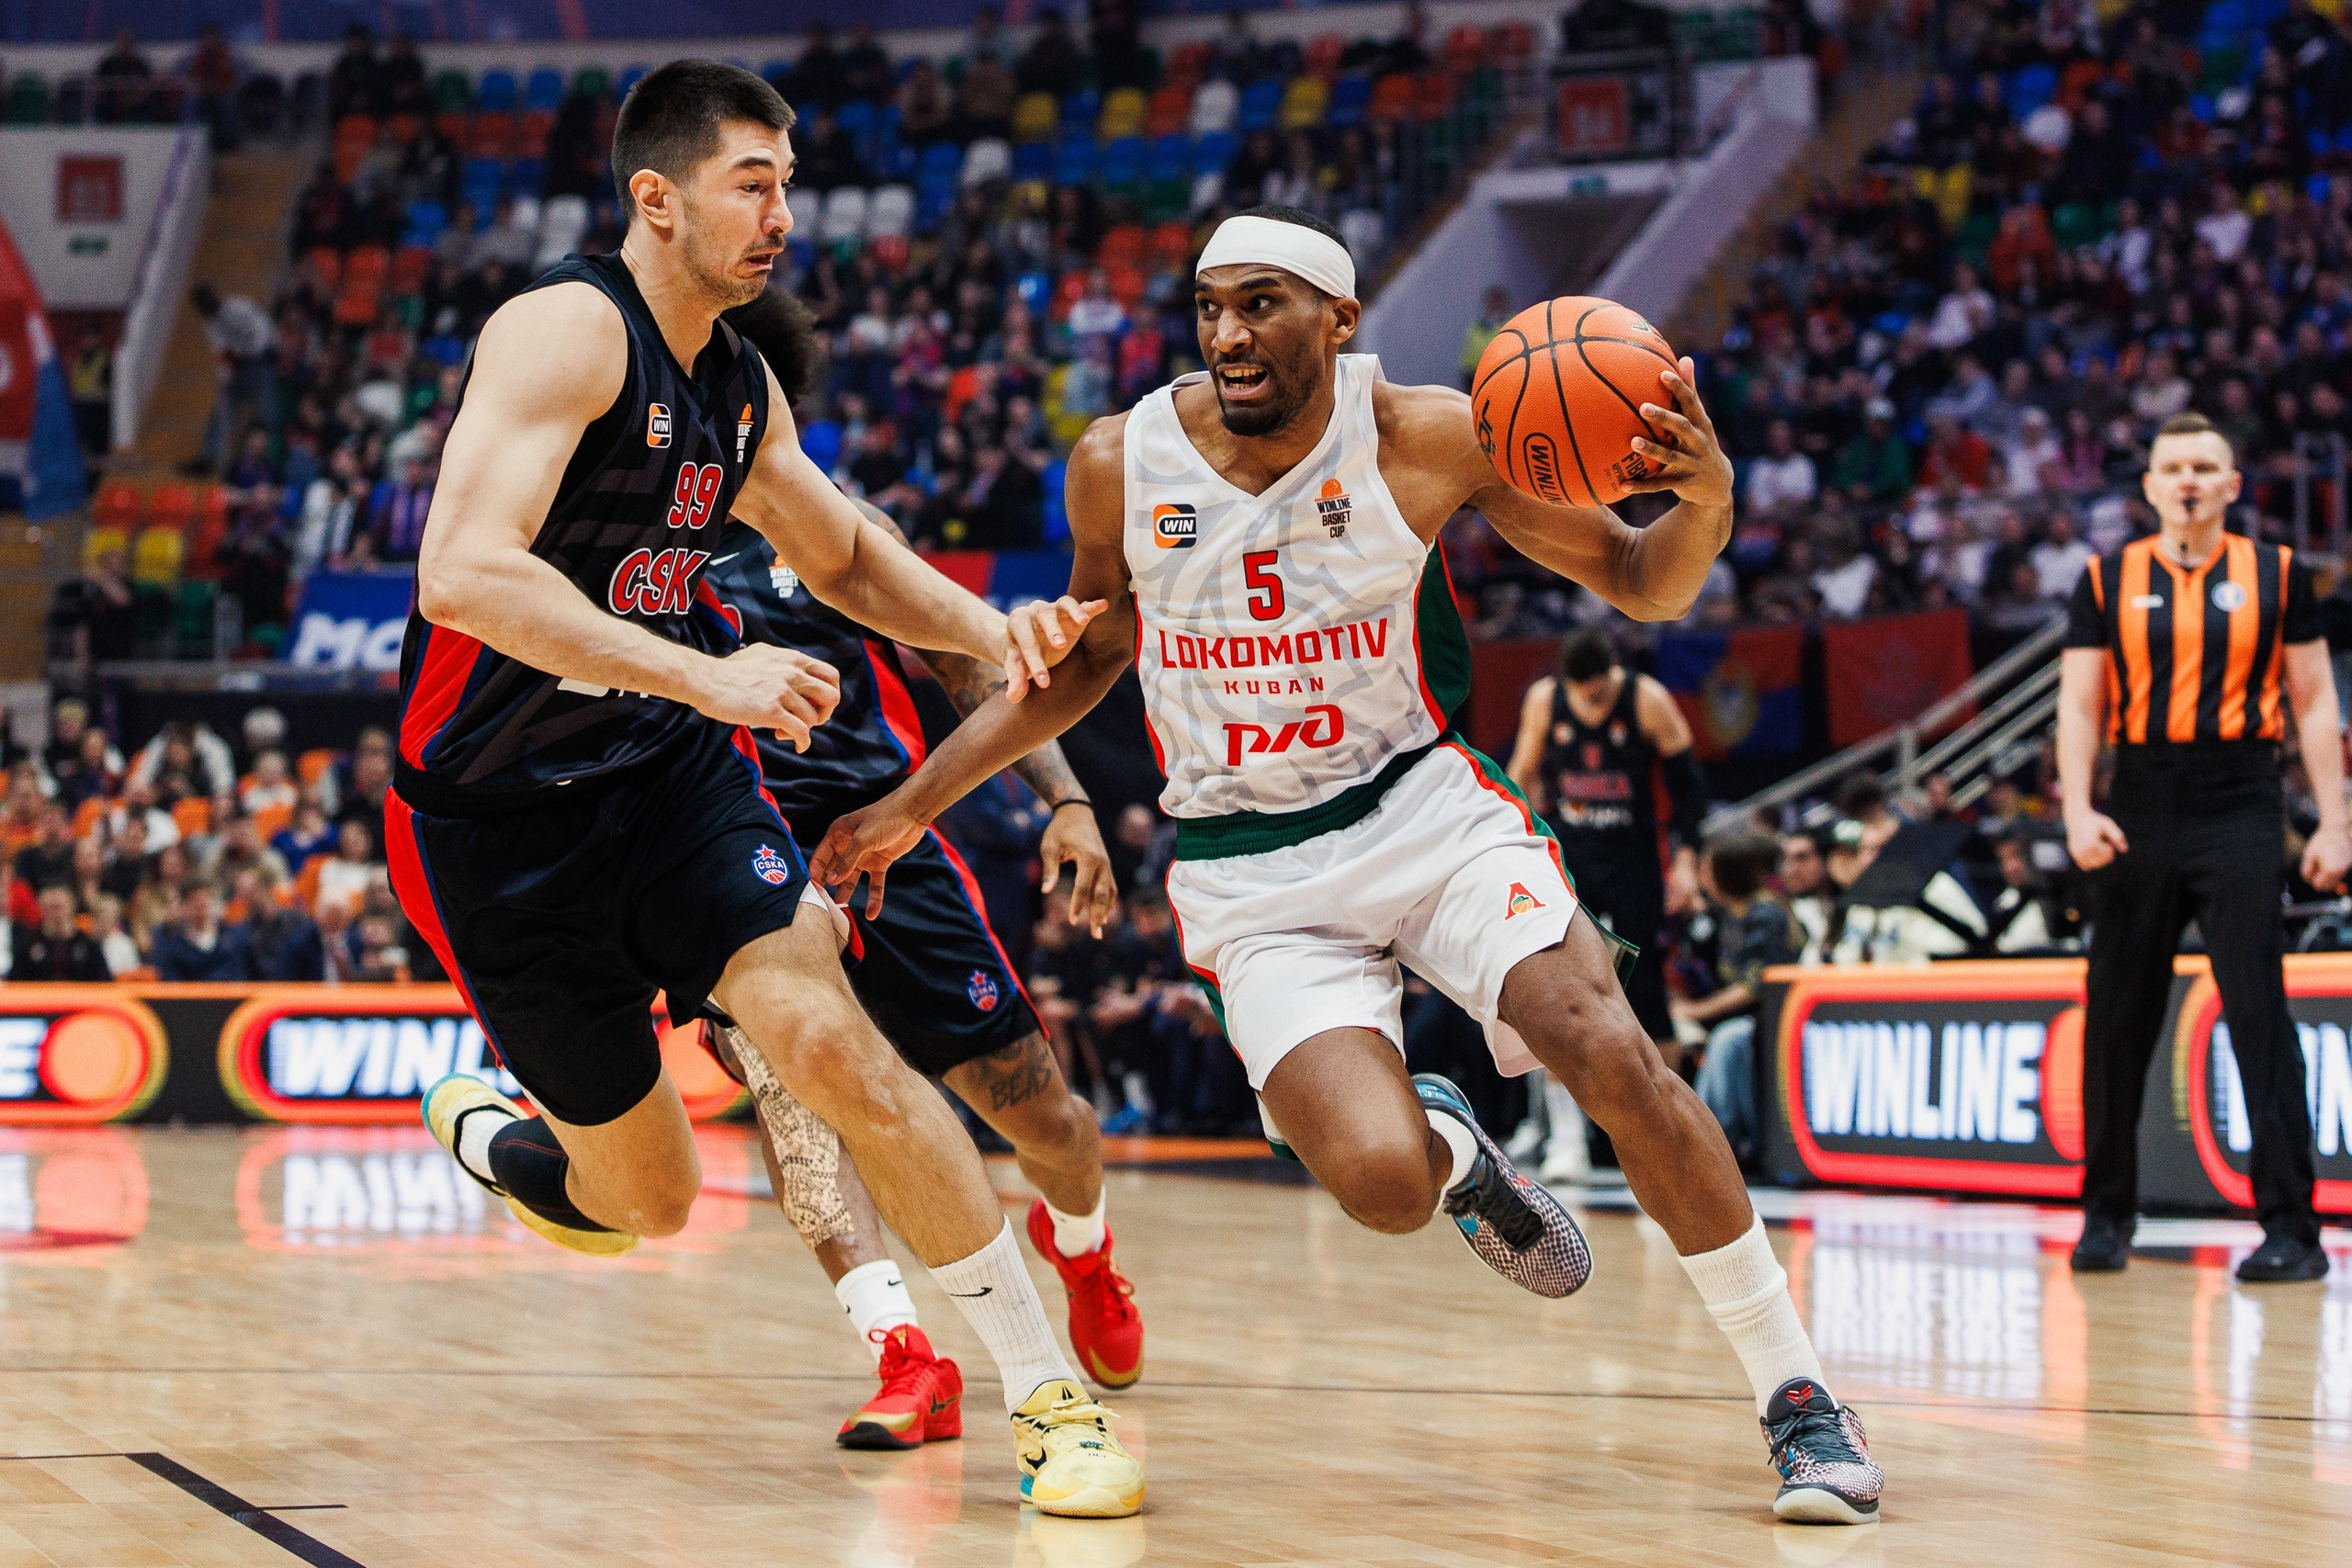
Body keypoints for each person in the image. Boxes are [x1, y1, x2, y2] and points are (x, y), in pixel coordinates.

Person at [815, 205, 1883, 1523]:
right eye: (1209, 307)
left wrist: (1705, 498)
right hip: (1247, 869)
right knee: (1380, 1187)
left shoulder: (1429, 435)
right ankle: (1447, 1141)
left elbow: (1640, 577)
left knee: (1608, 1047)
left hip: (1421, 809)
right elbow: (1089, 659)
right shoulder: (1117, 460)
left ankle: (1799, 1400)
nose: (1227, 334)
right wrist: (914, 803)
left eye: (1261, 303)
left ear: (1339, 318)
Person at [391, 63, 1140, 1517]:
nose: (786, 212)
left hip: (667, 783)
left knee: (829, 1038)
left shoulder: (737, 383)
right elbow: (461, 575)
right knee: (647, 1202)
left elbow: (854, 561)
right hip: (492, 822)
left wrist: (1004, 638)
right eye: (756, 180)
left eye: (790, 181)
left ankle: (1046, 1399)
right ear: (655, 199)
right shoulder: (564, 328)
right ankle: (511, 1139)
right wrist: (702, 675)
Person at [693, 285, 1145, 1443]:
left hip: (881, 838)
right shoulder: (643, 545)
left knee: (1044, 1120)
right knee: (800, 1108)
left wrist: (1069, 802)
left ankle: (1084, 1255)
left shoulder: (852, 532)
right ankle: (906, 1355)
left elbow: (974, 674)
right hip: (732, 853)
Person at [2059, 411, 2348, 1283]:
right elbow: (2078, 704)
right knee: (2115, 1012)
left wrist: (2335, 821)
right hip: (2140, 797)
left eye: (2205, 465)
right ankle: (2108, 1215)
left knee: (2259, 1008)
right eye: (2173, 466)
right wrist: (2076, 806)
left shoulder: (2281, 574)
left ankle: (2294, 1229)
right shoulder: (2105, 580)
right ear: (2148, 486)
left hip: (2241, 798)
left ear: (2232, 484)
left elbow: (2314, 702)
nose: (2188, 479)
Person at [1505, 626, 1705, 1176]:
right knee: (1559, 987)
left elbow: (1689, 788)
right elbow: (1521, 775)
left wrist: (1687, 861)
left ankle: (1672, 1137)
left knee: (1646, 988)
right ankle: (1566, 1141)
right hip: (1570, 855)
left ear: (1612, 675)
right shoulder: (1546, 698)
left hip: (1635, 855)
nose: (1590, 705)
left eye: (1598, 694)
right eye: (1583, 695)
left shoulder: (1647, 698)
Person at [1683, 832, 1803, 1166]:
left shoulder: (1765, 913)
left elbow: (1754, 984)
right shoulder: (1727, 914)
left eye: (1707, 870)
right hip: (1740, 1017)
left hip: (1773, 1017)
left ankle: (1707, 1147)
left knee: (1728, 1039)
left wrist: (1697, 1010)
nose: (1702, 878)